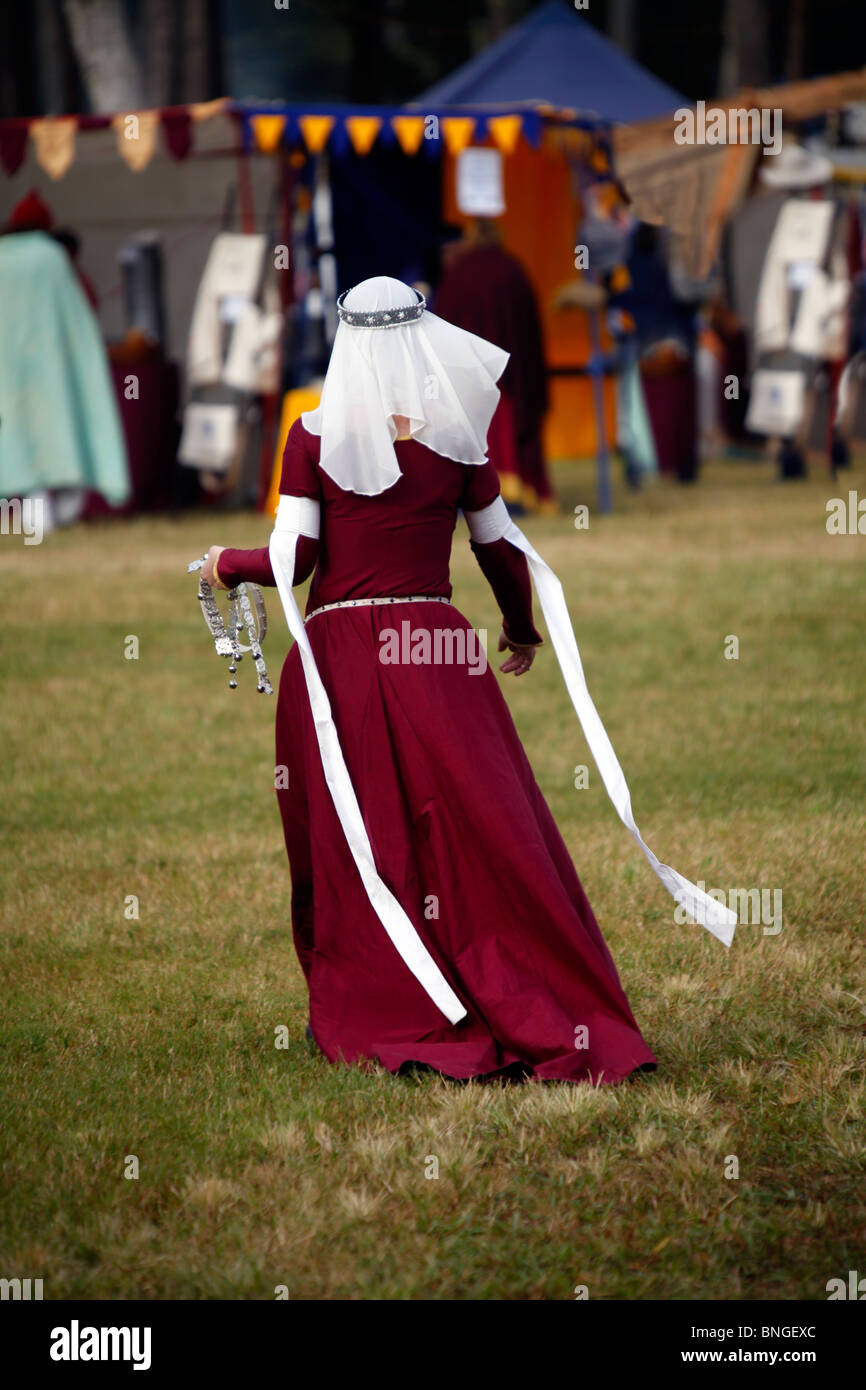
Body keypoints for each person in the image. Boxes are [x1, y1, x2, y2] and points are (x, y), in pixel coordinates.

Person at [198, 278, 674, 1083]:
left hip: (342, 657)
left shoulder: (312, 438)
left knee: (368, 835)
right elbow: (499, 550)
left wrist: (223, 566)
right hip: (439, 652)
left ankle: (398, 999)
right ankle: (533, 997)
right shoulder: (457, 440)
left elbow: (296, 561)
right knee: (482, 828)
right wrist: (519, 629)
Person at [434, 220, 554, 512]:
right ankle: (515, 496)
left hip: (468, 382)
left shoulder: (458, 274)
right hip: (513, 379)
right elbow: (529, 332)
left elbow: (444, 328)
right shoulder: (512, 269)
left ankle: (473, 496)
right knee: (508, 426)